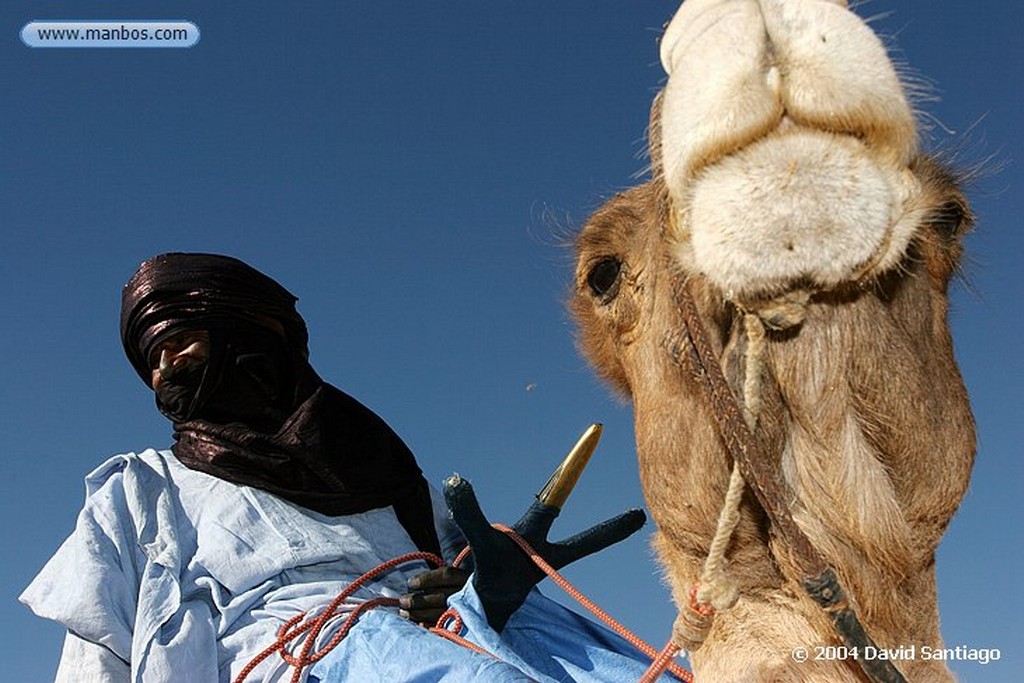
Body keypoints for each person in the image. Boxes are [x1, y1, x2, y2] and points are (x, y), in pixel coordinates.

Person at [21, 253, 676, 683]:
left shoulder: (377, 460)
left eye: (177, 342)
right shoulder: (143, 486)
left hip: (450, 624)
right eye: (152, 360)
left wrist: (485, 581)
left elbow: (448, 569)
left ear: (249, 331)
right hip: (312, 648)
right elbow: (98, 651)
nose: (163, 370)